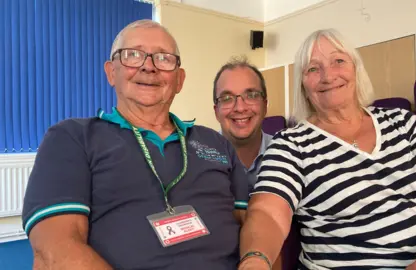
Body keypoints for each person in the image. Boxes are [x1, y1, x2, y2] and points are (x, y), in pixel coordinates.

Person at [238, 28, 416, 270]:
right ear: (303, 84)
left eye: (338, 61)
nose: (327, 75)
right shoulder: (290, 144)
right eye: (313, 68)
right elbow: (268, 213)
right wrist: (255, 260)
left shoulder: (403, 121)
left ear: (356, 69)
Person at [22, 19, 248, 270]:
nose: (149, 67)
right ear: (111, 72)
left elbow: (254, 224)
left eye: (163, 58)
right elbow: (55, 249)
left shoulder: (216, 142)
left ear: (179, 79)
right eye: (133, 55)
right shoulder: (72, 138)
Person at [213, 58, 272, 194]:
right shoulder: (198, 163)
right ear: (216, 111)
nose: (240, 108)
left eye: (251, 95)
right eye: (227, 98)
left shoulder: (289, 154)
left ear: (265, 105)